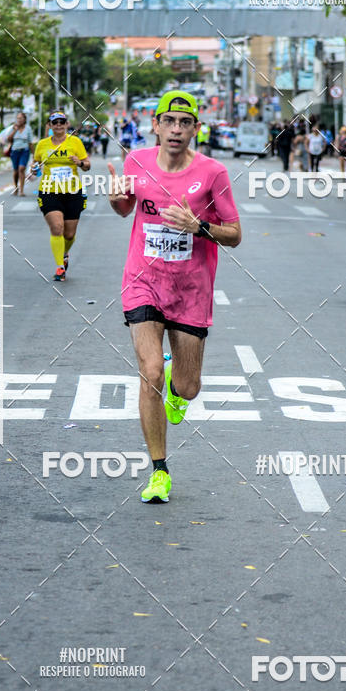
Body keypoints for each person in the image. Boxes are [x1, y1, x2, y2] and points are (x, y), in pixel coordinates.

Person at [108, 89, 241, 504]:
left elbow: (234, 235)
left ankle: (176, 385)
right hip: (143, 281)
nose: (176, 129)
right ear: (156, 125)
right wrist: (116, 200)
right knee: (149, 371)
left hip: (191, 289)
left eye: (185, 123)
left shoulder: (214, 173)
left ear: (196, 129)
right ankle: (159, 472)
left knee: (186, 387)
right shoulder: (136, 161)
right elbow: (124, 209)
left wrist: (198, 225)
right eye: (169, 121)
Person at [33, 111, 90, 282]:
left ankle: (64, 253)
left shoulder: (75, 142)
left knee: (70, 234)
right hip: (49, 191)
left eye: (61, 122)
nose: (58, 125)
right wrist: (34, 168)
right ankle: (60, 268)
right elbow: (36, 163)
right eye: (54, 122)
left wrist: (79, 162)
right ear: (49, 126)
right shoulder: (42, 145)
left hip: (73, 192)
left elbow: (87, 166)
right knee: (57, 228)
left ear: (67, 124)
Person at [7, 112, 33, 197]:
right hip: (15, 151)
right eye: (18, 118)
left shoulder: (28, 128)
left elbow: (30, 142)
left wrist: (34, 154)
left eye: (21, 118)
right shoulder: (13, 127)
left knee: (21, 169)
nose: (19, 120)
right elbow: (9, 139)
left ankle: (21, 190)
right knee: (15, 171)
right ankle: (16, 187)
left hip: (25, 151)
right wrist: (15, 130)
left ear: (24, 119)